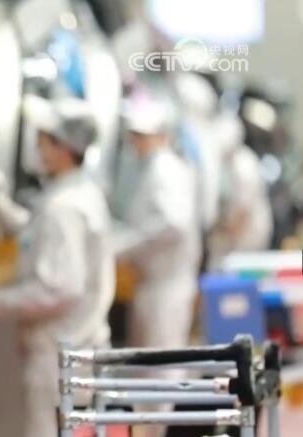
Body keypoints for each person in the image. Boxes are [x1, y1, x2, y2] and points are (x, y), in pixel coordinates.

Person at [0, 96, 115, 437]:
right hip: (79, 346)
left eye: (43, 140)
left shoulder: (63, 208)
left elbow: (59, 287)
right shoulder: (78, 195)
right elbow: (37, 234)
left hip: (58, 354)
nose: (36, 147)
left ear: (64, 148)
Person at [113, 94, 202, 437]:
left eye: (141, 135)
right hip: (154, 285)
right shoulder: (155, 169)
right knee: (150, 371)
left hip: (166, 288)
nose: (135, 142)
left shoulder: (165, 170)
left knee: (161, 372)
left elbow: (173, 223)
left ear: (160, 135)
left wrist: (128, 245)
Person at [207, 114, 273, 270]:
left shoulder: (244, 165)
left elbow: (242, 210)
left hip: (251, 232)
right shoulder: (229, 163)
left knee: (244, 270)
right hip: (242, 231)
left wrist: (225, 232)